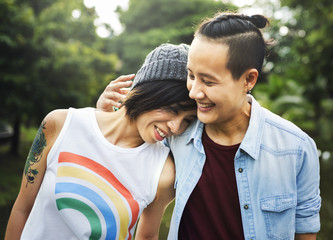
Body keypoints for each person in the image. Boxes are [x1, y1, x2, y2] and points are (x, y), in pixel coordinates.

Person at [96, 12, 321, 240]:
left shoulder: (297, 149)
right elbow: (120, 156)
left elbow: (305, 232)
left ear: (249, 80)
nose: (194, 92)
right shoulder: (175, 134)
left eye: (208, 81)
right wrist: (106, 116)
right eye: (191, 75)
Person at [5, 43, 197, 240]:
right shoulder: (60, 124)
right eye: (174, 109)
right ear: (148, 90)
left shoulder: (163, 172)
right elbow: (23, 208)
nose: (176, 127)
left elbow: (147, 236)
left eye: (187, 120)